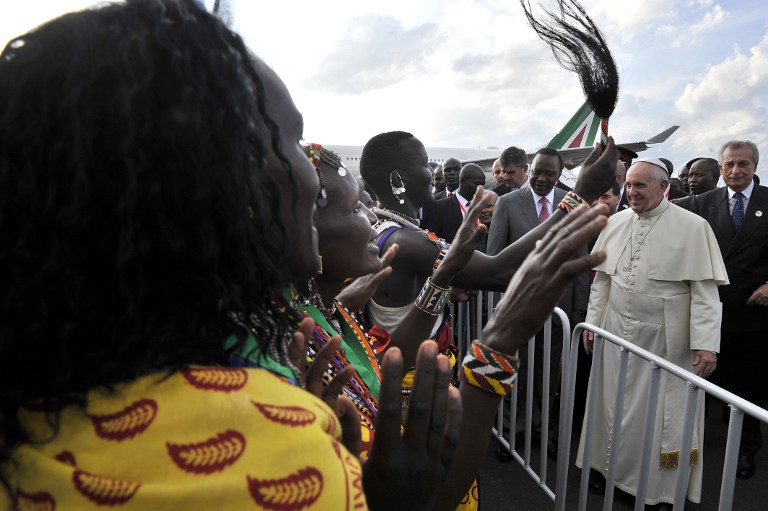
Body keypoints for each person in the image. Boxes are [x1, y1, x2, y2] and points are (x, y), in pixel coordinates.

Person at [0, 2, 462, 509]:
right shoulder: (285, 464)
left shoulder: (52, 392)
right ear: (218, 183)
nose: (312, 171)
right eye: (289, 139)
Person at [578, 157, 727, 508]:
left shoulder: (693, 227)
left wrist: (706, 345)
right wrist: (593, 323)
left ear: (664, 187)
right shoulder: (615, 222)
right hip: (616, 333)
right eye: (628, 185)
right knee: (610, 405)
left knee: (660, 418)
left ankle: (658, 491)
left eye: (640, 185)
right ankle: (606, 469)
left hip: (665, 341)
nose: (632, 192)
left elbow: (706, 294)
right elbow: (602, 281)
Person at [487, 147, 589, 459]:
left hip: (559, 308)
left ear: (560, 175)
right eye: (538, 172)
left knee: (550, 376)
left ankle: (543, 431)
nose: (542, 179)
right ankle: (510, 432)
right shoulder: (507, 202)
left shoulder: (574, 205)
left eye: (550, 174)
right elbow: (495, 258)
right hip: (518, 306)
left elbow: (581, 257)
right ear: (530, 170)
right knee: (516, 370)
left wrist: (578, 308)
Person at [676, 140, 768, 479]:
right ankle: (689, 446)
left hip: (752, 314)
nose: (735, 171)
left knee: (749, 386)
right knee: (702, 382)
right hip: (708, 311)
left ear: (754, 166)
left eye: (743, 164)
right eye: (729, 164)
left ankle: (747, 449)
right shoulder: (701, 203)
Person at [422, 163, 486, 242]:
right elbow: (431, 238)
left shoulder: (485, 207)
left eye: (482, 185)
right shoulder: (440, 208)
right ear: (462, 181)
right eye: (477, 184)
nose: (481, 188)